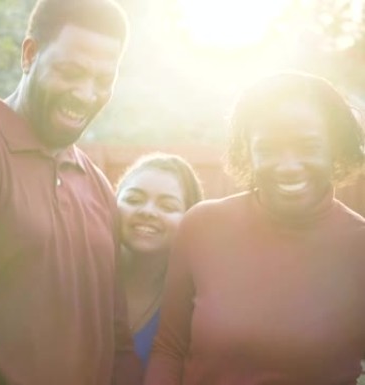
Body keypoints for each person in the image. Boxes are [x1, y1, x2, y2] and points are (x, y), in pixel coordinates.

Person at [0, 0, 141, 384]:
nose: (86, 93)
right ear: (29, 54)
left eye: (103, 80)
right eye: (72, 72)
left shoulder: (97, 185)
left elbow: (117, 338)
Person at [145, 72, 365, 384]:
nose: (288, 166)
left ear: (335, 148)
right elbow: (169, 349)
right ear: (248, 153)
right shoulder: (202, 227)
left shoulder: (359, 248)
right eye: (269, 148)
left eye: (308, 146)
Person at [115, 153, 203, 367]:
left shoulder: (198, 302)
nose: (147, 212)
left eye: (167, 206)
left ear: (190, 218)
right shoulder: (80, 278)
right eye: (134, 200)